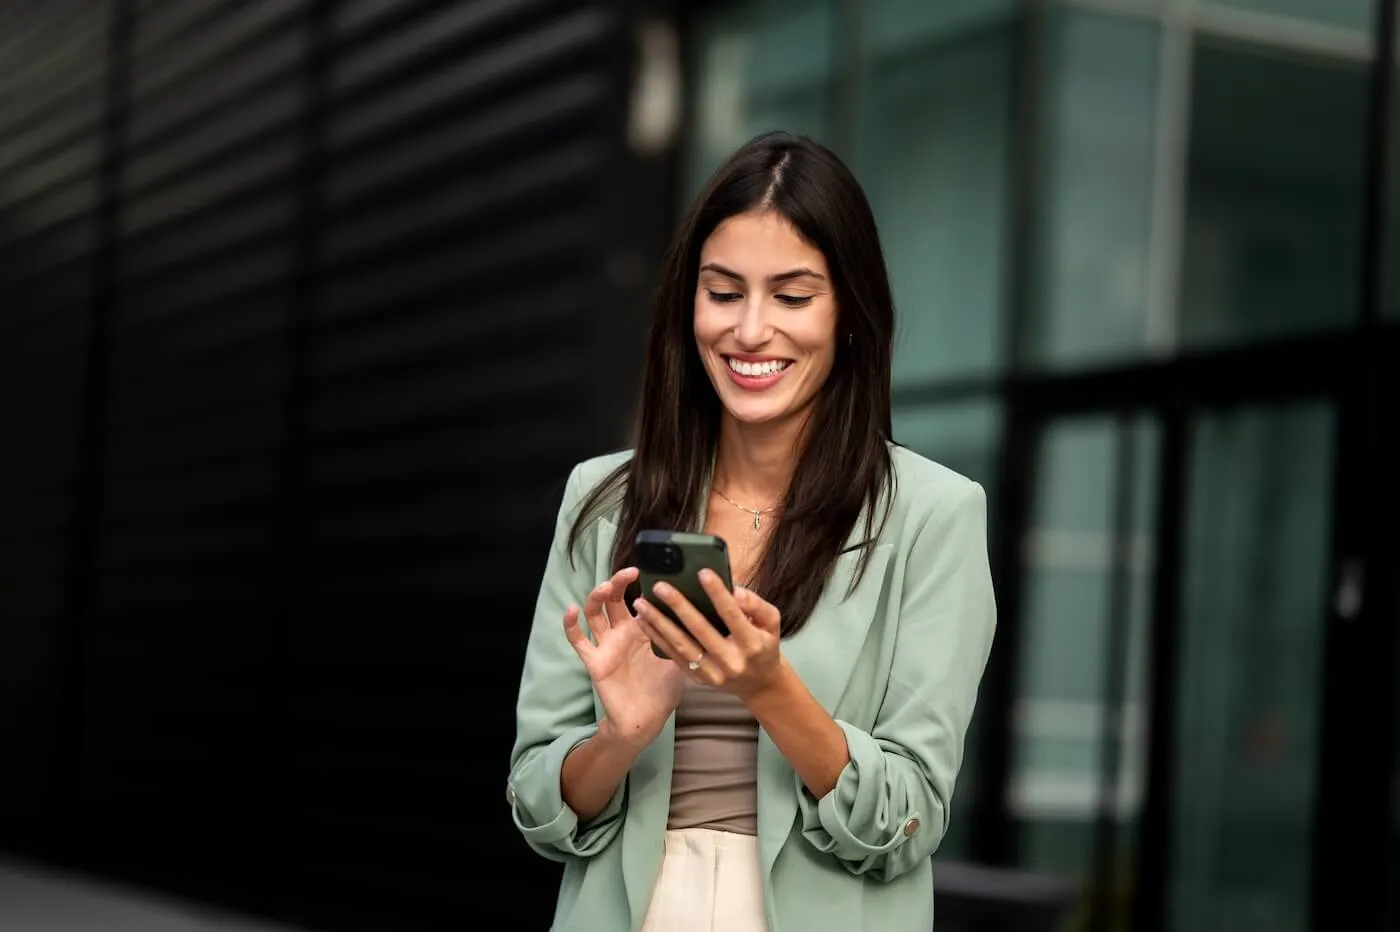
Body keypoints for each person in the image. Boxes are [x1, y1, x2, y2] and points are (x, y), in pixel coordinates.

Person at [507, 131, 996, 932]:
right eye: (724, 291)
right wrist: (620, 738)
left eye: (794, 296)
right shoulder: (601, 498)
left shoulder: (933, 515)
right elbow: (536, 802)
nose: (750, 330)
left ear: (850, 315)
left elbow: (908, 821)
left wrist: (770, 688)